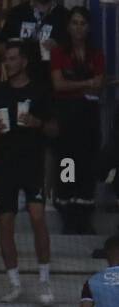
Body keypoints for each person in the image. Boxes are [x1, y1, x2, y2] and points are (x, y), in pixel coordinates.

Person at [0, 41, 56, 305]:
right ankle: (14, 283)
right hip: (5, 165)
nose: (8, 63)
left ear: (24, 61)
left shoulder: (40, 90)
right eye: (6, 59)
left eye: (13, 58)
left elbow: (55, 129)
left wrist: (36, 122)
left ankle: (44, 280)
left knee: (38, 217)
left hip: (32, 164)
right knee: (5, 223)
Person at [50, 8, 106, 234]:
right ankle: (67, 213)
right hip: (66, 116)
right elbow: (58, 85)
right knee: (67, 163)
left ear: (89, 26)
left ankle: (84, 217)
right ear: (68, 26)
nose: (79, 27)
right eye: (74, 23)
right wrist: (85, 84)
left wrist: (76, 85)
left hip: (89, 117)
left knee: (87, 164)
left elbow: (99, 84)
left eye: (83, 23)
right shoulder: (59, 53)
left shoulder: (96, 53)